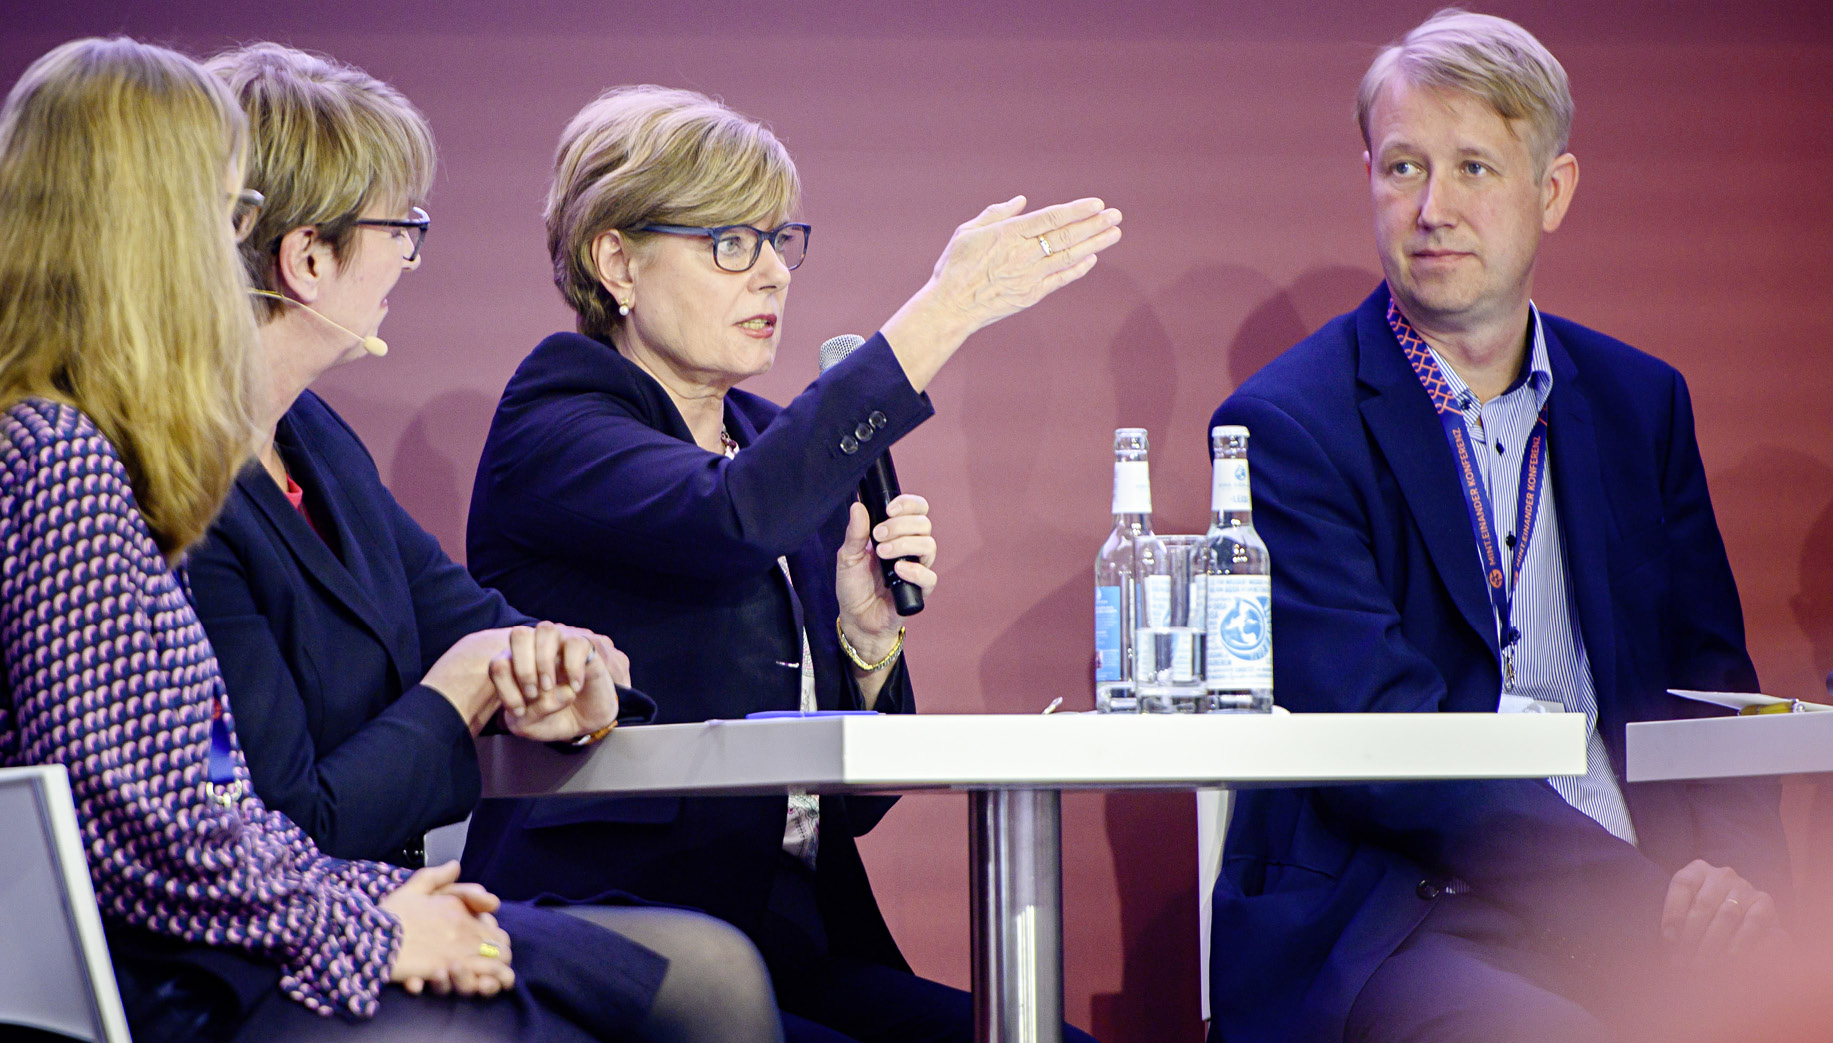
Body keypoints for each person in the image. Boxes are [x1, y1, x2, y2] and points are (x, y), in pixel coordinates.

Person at [461, 85, 1119, 1043]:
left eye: (778, 241)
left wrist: (864, 646)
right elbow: (726, 519)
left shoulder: (773, 446)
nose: (770, 274)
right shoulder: (558, 417)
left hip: (793, 936)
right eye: (730, 242)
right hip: (620, 931)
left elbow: (857, 806)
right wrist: (948, 308)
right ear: (617, 262)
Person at [1204, 11, 1791, 1043]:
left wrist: (1737, 891)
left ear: (1552, 191)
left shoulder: (1638, 402)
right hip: (1406, 917)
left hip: (1643, 901)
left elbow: (1712, 689)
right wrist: (1641, 901)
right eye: (1402, 167)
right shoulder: (1285, 427)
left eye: (1474, 167)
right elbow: (1390, 746)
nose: (1433, 208)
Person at [183, 43, 784, 1042]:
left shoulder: (316, 443)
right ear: (308, 259)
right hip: (267, 947)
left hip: (378, 909)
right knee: (704, 977)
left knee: (713, 968)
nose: (412, 258)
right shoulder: (189, 495)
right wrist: (461, 691)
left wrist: (580, 670)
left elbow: (485, 625)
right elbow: (292, 825)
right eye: (400, 228)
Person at [0, 35, 544, 1043]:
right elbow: (146, 827)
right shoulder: (62, 454)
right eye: (229, 211)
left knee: (693, 971)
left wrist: (367, 899)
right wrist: (367, 924)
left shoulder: (89, 449)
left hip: (232, 933)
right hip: (184, 980)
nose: (239, 246)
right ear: (160, 232)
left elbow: (205, 789)